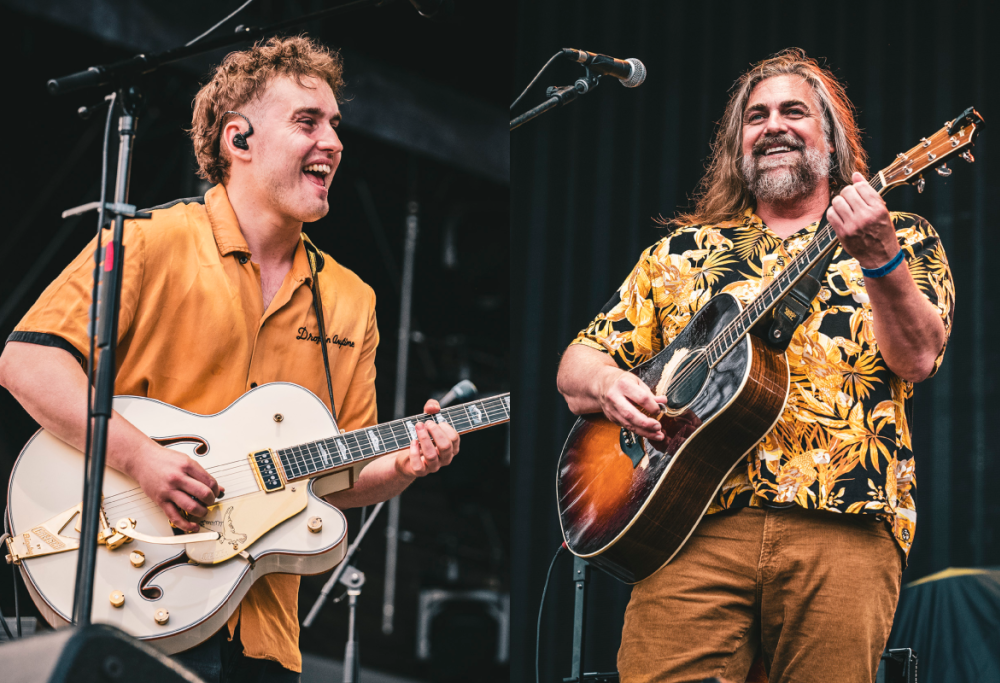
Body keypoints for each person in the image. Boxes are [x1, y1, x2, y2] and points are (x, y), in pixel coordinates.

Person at [0, 36, 460, 682]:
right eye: (308, 121)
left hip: (264, 640)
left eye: (335, 124)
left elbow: (345, 471)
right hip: (132, 597)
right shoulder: (149, 241)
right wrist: (143, 460)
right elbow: (27, 362)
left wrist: (408, 464)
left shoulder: (353, 300)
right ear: (238, 139)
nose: (333, 141)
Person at [556, 49, 954, 683]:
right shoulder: (681, 252)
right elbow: (577, 362)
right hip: (691, 526)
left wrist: (880, 258)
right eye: (756, 116)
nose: (773, 126)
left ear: (832, 139)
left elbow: (919, 359)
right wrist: (608, 384)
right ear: (737, 143)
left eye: (794, 112)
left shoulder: (902, 235)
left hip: (844, 520)